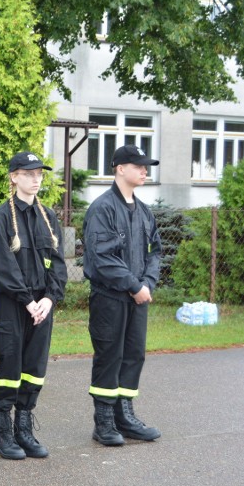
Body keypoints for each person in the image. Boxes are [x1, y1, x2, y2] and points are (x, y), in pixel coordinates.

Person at [0, 152, 67, 460]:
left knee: (34, 370)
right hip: (12, 305)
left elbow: (58, 265)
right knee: (10, 368)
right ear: (14, 177)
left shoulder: (49, 216)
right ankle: (2, 434)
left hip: (41, 307)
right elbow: (3, 267)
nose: (35, 179)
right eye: (29, 174)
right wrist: (28, 300)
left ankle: (24, 428)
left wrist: (48, 299)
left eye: (39, 174)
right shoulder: (2, 217)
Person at [83, 144, 162, 446]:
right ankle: (103, 423)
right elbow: (102, 258)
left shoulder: (143, 212)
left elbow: (155, 251)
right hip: (110, 298)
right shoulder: (102, 209)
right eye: (138, 165)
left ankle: (125, 417)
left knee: (133, 356)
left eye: (146, 166)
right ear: (119, 169)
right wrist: (134, 285)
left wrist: (147, 285)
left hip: (138, 297)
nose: (145, 170)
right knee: (109, 356)